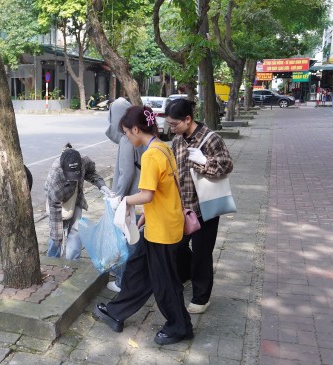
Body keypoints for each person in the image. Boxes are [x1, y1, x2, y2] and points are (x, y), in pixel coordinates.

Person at [92, 105, 193, 346]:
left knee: (164, 282)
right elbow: (163, 191)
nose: (126, 137)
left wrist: (124, 200)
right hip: (160, 224)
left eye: (127, 132)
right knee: (137, 269)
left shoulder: (150, 155)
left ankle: (180, 327)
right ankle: (116, 312)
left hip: (163, 231)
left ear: (136, 129)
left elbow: (146, 194)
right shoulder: (162, 147)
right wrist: (143, 217)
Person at [167, 98, 234, 314]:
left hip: (205, 206)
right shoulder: (177, 141)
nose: (172, 128)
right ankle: (186, 274)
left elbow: (227, 165)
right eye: (170, 124)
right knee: (176, 247)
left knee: (202, 253)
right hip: (182, 206)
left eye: (175, 124)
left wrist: (203, 162)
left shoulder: (210, 139)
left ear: (188, 119)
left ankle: (201, 297)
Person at [104, 97, 146, 293]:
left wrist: (118, 197)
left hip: (131, 195)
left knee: (126, 237)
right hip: (139, 192)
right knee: (131, 235)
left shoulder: (125, 138)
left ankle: (123, 281)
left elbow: (126, 172)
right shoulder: (137, 134)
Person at [44, 144, 110, 260]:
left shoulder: (84, 161)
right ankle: (52, 261)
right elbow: (54, 205)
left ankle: (73, 262)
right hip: (58, 202)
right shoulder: (56, 174)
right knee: (56, 236)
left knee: (75, 230)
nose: (74, 178)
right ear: (63, 169)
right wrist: (57, 235)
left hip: (76, 197)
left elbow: (91, 173)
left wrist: (101, 186)